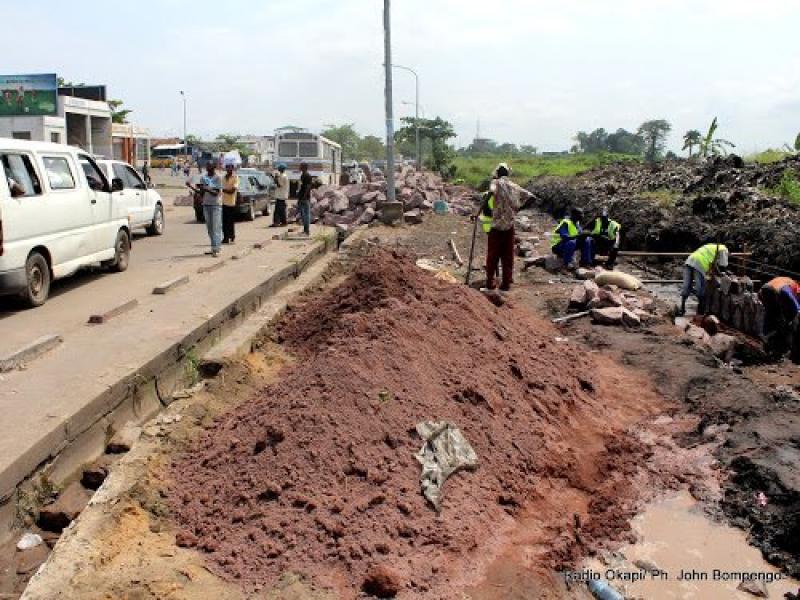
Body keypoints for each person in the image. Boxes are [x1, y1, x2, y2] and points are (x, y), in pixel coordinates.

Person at [476, 162, 534, 291]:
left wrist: (478, 211)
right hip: (509, 226)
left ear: (498, 172)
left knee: (492, 255)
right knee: (508, 256)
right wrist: (518, 209)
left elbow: (490, 193)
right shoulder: (514, 186)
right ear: (507, 173)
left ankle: (490, 282)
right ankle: (506, 284)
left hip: (496, 226)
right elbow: (531, 197)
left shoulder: (495, 183)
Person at [679, 242, 729, 315]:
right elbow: (723, 264)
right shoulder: (724, 249)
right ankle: (701, 309)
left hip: (690, 260)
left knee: (686, 285)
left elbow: (714, 264)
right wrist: (723, 273)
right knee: (700, 288)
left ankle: (682, 308)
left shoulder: (711, 246)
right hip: (700, 263)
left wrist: (718, 272)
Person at [758, 277, 800, 356]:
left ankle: (767, 338)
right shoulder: (792, 287)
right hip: (771, 291)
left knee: (771, 315)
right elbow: (794, 302)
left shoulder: (786, 283)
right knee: (777, 318)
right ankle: (783, 345)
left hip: (763, 290)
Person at [188, 161, 223, 256]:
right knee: (210, 228)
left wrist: (206, 188)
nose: (207, 167)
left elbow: (216, 193)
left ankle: (216, 249)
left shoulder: (218, 178)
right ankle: (214, 247)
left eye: (209, 165)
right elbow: (201, 193)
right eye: (207, 165)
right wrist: (191, 187)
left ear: (214, 166)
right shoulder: (204, 177)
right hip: (206, 205)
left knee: (216, 227)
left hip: (216, 205)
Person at [221, 161, 239, 244]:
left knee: (230, 222)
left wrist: (223, 190)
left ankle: (232, 236)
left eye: (230, 167)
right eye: (227, 167)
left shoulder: (235, 178)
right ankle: (225, 237)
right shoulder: (223, 178)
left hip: (231, 203)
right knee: (224, 222)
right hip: (224, 202)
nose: (228, 169)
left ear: (232, 168)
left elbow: (232, 191)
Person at [296, 162, 312, 236]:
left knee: (306, 214)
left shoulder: (307, 176)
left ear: (304, 167)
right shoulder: (302, 175)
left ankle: (307, 231)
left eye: (301, 166)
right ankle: (305, 230)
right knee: (303, 214)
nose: (299, 167)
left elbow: (308, 187)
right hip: (301, 197)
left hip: (305, 198)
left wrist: (304, 196)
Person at [271, 163, 289, 227]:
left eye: (279, 168)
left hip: (281, 196)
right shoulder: (283, 175)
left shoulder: (282, 176)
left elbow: (279, 185)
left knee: (278, 211)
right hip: (282, 195)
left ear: (281, 169)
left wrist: (275, 178)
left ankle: (278, 222)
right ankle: (282, 222)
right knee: (281, 210)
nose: (278, 169)